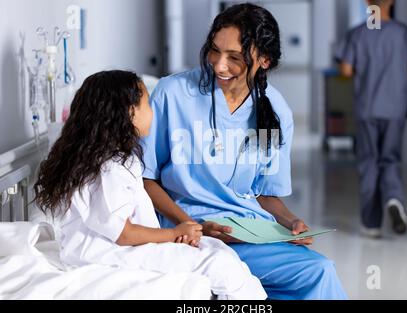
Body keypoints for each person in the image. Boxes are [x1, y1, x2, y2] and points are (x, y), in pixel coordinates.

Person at [141, 3, 347, 300]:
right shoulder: (172, 94)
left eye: (234, 58)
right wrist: (192, 224)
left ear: (264, 60)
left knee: (320, 270)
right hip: (188, 233)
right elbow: (147, 179)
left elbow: (263, 193)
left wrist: (290, 223)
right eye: (214, 50)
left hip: (248, 235)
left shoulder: (275, 111)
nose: (219, 65)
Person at [33, 70, 267, 300]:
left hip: (118, 246)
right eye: (147, 104)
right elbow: (122, 234)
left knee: (216, 251)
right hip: (106, 252)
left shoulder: (111, 160)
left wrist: (176, 234)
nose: (152, 112)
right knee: (219, 263)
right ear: (129, 112)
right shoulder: (110, 168)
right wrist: (173, 233)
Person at [335, 0, 407, 238]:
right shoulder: (403, 32)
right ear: (391, 2)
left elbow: (345, 70)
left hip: (367, 109)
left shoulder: (357, 34)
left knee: (369, 163)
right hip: (394, 108)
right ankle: (394, 199)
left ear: (367, 3)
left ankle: (371, 224)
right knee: (390, 159)